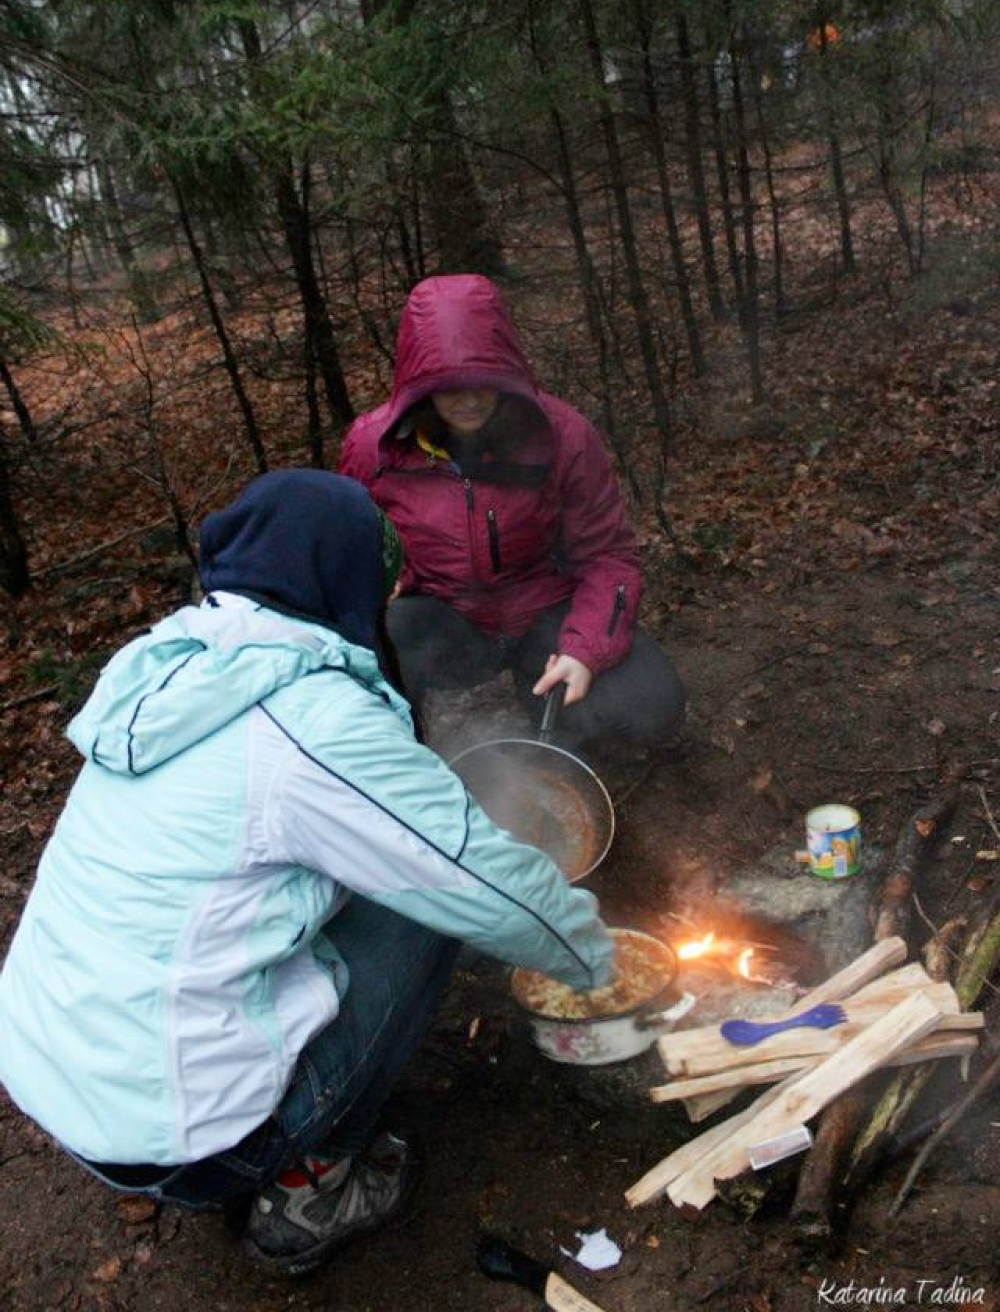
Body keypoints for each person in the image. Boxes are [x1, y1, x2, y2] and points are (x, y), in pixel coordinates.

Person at [0, 470, 614, 1278]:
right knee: (424, 911)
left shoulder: (170, 673)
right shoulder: (310, 720)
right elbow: (476, 879)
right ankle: (309, 1187)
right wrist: (597, 960)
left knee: (362, 873)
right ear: (341, 579)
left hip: (55, 1076)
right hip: (179, 1141)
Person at [338, 273, 686, 754]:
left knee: (651, 708)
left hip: (542, 611)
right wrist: (389, 577)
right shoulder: (372, 448)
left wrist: (583, 650)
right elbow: (355, 553)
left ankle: (546, 704)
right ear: (420, 386)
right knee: (380, 645)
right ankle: (405, 755)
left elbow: (608, 556)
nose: (470, 399)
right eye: (449, 387)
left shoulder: (563, 435)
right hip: (444, 618)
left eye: (485, 382)